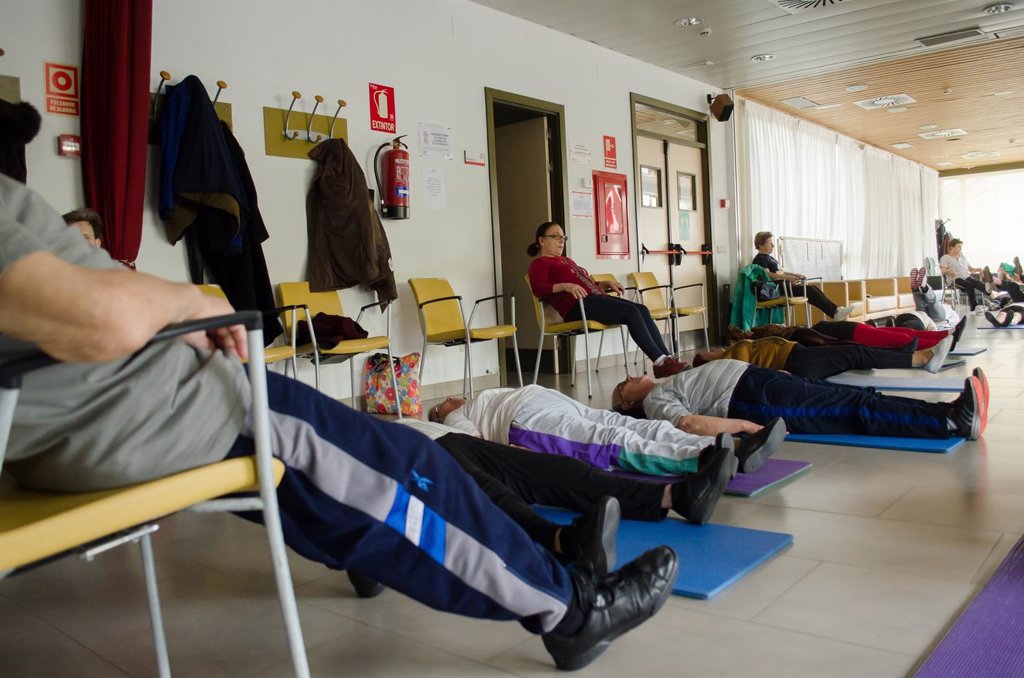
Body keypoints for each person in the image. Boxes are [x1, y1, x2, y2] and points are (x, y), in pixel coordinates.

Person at [0, 173, 678, 672]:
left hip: (145, 408)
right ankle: (569, 611)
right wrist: (178, 300)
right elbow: (103, 319)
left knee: (403, 463)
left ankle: (542, 551)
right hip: (171, 407)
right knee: (412, 475)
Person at [399, 417, 736, 530]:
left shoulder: (447, 420)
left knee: (562, 470)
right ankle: (560, 542)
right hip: (416, 460)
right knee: (485, 492)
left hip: (456, 442)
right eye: (443, 404)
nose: (448, 401)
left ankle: (677, 496)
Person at [430, 384, 785, 476]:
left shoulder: (484, 396)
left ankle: (721, 442)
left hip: (553, 404)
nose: (448, 399)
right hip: (527, 425)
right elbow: (471, 444)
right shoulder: (455, 418)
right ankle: (705, 457)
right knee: (610, 442)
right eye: (441, 404)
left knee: (634, 424)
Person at [613, 360, 987, 442]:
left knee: (860, 395)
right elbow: (689, 425)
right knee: (852, 409)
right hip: (752, 399)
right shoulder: (656, 401)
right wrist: (743, 427)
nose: (629, 378)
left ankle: (949, 411)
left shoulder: (667, 379)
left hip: (762, 382)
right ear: (629, 405)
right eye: (623, 387)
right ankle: (949, 423)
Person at [527, 221, 687, 379]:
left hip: (593, 299)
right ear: (542, 240)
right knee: (630, 312)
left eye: (563, 237)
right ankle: (659, 361)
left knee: (642, 309)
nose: (561, 241)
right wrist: (565, 286)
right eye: (556, 236)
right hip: (576, 307)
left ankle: (666, 359)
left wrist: (603, 284)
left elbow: (583, 283)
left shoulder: (567, 261)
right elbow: (538, 289)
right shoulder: (540, 263)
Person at [693, 333, 954, 378]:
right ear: (706, 362)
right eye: (706, 354)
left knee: (855, 351)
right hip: (796, 362)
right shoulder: (728, 361)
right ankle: (921, 359)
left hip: (799, 353)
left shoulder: (730, 351)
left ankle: (914, 355)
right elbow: (749, 375)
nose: (711, 350)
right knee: (855, 353)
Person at [751, 231, 856, 321]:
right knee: (810, 290)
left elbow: (779, 272)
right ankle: (835, 312)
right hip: (779, 290)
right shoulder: (760, 259)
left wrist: (794, 275)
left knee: (812, 288)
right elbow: (768, 275)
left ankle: (836, 311)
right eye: (770, 243)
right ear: (760, 244)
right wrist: (788, 278)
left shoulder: (769, 258)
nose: (773, 246)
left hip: (785, 287)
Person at [730, 320, 950, 351]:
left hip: (834, 330)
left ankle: (942, 337)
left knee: (893, 337)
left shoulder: (766, 337)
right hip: (830, 327)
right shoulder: (769, 332)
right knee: (893, 334)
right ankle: (943, 336)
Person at [939, 239, 989, 313]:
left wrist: (979, 269)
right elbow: (943, 271)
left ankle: (991, 294)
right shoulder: (945, 257)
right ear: (951, 247)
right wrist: (949, 270)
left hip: (967, 277)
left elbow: (971, 269)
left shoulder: (963, 258)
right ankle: (974, 306)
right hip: (955, 279)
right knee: (969, 285)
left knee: (977, 283)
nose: (960, 248)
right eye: (958, 246)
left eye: (961, 247)